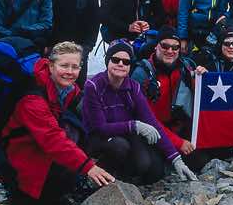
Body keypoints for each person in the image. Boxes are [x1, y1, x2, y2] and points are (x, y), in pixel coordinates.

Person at [0, 42, 114, 205]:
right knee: (31, 204)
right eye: (64, 66)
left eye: (75, 67)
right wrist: (88, 167)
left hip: (41, 146)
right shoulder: (33, 99)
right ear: (51, 66)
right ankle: (17, 202)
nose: (70, 71)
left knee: (74, 155)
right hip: (21, 153)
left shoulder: (67, 89)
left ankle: (54, 189)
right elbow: (53, 140)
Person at [82, 40, 197, 183]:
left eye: (126, 62)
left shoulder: (133, 87)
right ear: (107, 62)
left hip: (126, 134)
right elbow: (100, 127)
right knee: (119, 147)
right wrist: (134, 125)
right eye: (115, 60)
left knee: (154, 170)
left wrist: (176, 159)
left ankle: (124, 177)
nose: (121, 64)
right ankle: (98, 176)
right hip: (99, 138)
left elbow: (151, 121)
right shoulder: (93, 86)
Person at [129, 26, 197, 161]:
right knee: (151, 170)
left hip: (176, 127)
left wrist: (202, 77)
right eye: (165, 46)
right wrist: (178, 142)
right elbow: (145, 118)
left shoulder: (186, 69)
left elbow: (199, 99)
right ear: (156, 47)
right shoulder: (142, 74)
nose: (170, 51)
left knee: (199, 160)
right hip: (149, 130)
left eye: (175, 47)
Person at [44, 0, 99, 87]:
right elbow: (44, 19)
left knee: (78, 90)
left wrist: (88, 46)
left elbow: (94, 18)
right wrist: (46, 46)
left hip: (80, 49)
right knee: (52, 89)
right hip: (55, 50)